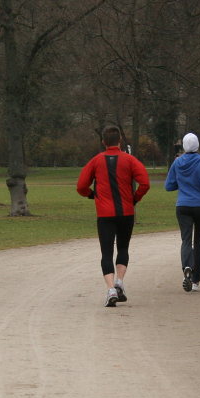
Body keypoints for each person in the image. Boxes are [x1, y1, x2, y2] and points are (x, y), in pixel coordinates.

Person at [77, 125, 150, 307]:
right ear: (120, 141)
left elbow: (80, 186)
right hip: (126, 212)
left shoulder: (96, 161)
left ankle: (110, 290)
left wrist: (91, 194)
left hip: (105, 214)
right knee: (123, 248)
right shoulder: (130, 160)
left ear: (103, 142)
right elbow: (145, 183)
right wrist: (135, 198)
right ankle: (120, 282)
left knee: (106, 252)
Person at [165, 133, 200, 292]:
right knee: (199, 241)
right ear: (198, 145)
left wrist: (182, 183)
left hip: (183, 205)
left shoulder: (177, 162)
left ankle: (187, 267)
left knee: (186, 239)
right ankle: (196, 279)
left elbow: (169, 185)